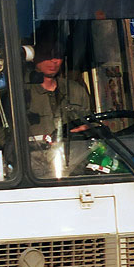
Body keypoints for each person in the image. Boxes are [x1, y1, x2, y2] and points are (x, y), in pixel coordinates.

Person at [24, 24, 91, 176]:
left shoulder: (76, 91)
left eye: (58, 55)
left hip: (76, 168)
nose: (54, 61)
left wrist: (85, 129)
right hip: (36, 172)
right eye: (47, 54)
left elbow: (90, 126)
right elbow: (6, 139)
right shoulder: (22, 94)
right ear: (34, 56)